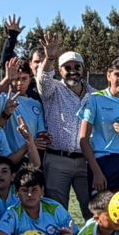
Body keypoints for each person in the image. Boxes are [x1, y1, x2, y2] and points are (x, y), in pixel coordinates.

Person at [35, 32, 94, 214]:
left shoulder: (95, 95)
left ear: (83, 68)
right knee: (56, 212)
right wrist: (50, 58)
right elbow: (43, 80)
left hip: (86, 162)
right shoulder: (53, 89)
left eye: (77, 66)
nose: (72, 71)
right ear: (59, 71)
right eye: (67, 67)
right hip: (57, 160)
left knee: (93, 212)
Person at [79, 56, 119, 194]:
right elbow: (83, 140)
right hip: (102, 163)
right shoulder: (95, 99)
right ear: (108, 75)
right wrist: (96, 172)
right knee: (101, 208)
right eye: (117, 74)